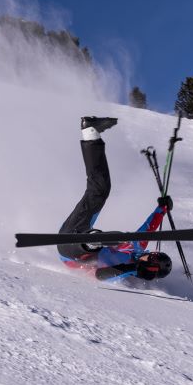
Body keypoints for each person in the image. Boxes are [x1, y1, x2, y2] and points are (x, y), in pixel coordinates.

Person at [57, 116, 173, 282]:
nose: (152, 254)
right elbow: (148, 228)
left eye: (154, 259)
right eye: (156, 254)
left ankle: (90, 242)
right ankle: (91, 132)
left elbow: (99, 276)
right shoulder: (137, 247)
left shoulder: (124, 270)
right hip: (75, 230)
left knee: (93, 245)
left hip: (72, 254)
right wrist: (162, 209)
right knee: (99, 191)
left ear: (152, 269)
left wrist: (132, 268)